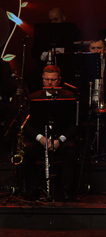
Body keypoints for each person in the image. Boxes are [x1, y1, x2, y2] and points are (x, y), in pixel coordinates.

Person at [16, 65, 82, 201]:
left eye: (53, 80)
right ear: (42, 79)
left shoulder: (69, 97)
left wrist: (60, 140)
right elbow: (27, 125)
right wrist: (41, 139)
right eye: (46, 80)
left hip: (60, 140)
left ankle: (67, 190)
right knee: (27, 151)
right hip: (41, 140)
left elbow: (75, 125)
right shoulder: (33, 97)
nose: (49, 83)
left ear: (59, 80)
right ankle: (31, 190)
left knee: (70, 150)